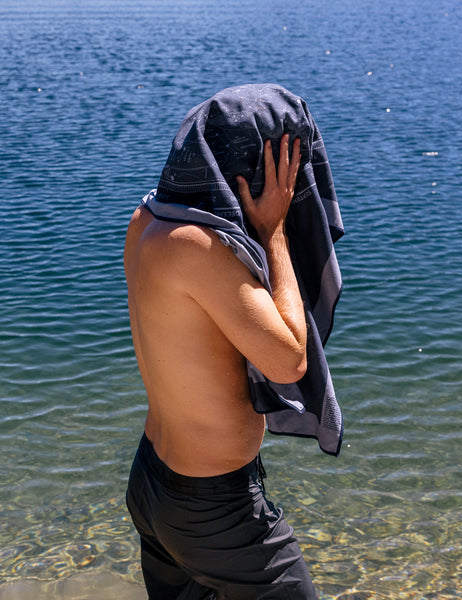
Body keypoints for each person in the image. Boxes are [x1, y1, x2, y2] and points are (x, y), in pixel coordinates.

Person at [124, 84, 343, 599]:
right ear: (253, 168)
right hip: (211, 509)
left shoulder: (149, 221)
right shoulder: (200, 250)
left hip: (155, 483)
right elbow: (289, 361)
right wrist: (273, 233)